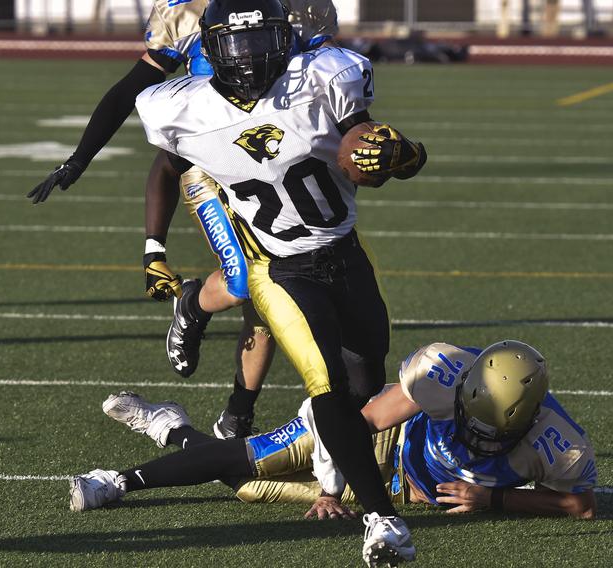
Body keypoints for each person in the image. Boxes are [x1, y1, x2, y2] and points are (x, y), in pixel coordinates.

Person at [130, 0, 427, 564]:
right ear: (210, 49)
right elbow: (166, 169)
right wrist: (154, 247)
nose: (246, 58)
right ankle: (381, 519)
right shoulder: (180, 107)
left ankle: (213, 445)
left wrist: (403, 154)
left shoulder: (320, 77)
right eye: (233, 45)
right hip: (279, 269)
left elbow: (366, 147)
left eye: (257, 41)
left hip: (346, 255)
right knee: (329, 390)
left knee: (364, 387)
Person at [26, 0, 338, 440]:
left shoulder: (303, 8)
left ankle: (238, 415)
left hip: (275, 158)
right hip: (209, 166)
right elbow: (144, 117)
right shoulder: (186, 15)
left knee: (270, 295)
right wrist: (80, 162)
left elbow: (328, 84)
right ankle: (192, 303)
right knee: (246, 280)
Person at [70, 342, 596, 560]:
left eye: (495, 435)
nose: (477, 442)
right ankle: (116, 481)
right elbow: (356, 422)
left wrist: (495, 501)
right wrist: (335, 484)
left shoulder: (560, 441)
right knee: (250, 459)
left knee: (251, 490)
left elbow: (581, 506)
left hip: (409, 497)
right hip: (383, 451)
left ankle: (173, 428)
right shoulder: (442, 370)